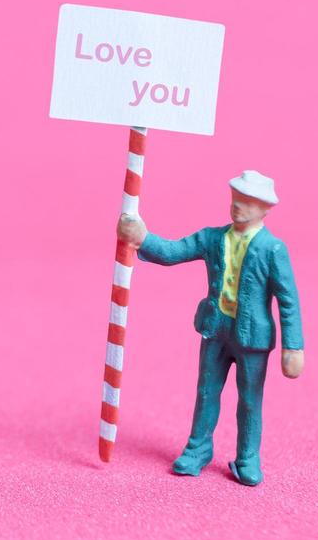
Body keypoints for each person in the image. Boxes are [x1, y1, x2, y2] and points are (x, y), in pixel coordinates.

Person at [116, 170, 305, 486]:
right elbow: (175, 251)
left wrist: (293, 346)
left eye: (247, 202)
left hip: (252, 339)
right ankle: (198, 448)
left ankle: (247, 457)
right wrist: (142, 237)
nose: (238, 207)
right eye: (236, 200)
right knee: (206, 392)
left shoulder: (273, 249)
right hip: (216, 329)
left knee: (249, 400)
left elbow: (288, 300)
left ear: (265, 209)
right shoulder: (212, 238)